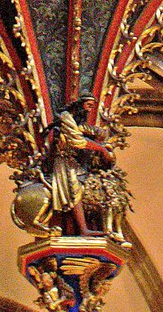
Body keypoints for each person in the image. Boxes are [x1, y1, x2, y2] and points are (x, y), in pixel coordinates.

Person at [45, 95, 115, 237]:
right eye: (89, 105)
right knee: (75, 189)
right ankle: (83, 230)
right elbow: (77, 140)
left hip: (73, 161)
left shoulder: (76, 119)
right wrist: (101, 149)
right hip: (64, 162)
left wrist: (98, 132)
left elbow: (83, 129)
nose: (90, 109)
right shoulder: (66, 117)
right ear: (81, 104)